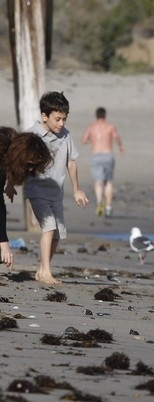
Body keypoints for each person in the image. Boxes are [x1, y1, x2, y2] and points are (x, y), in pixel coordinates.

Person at [21, 91, 89, 284]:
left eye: (64, 119)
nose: (61, 124)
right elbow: (19, 162)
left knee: (57, 235)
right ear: (44, 116)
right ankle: (46, 273)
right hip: (37, 190)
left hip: (56, 193)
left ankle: (42, 269)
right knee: (49, 227)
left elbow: (72, 163)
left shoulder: (65, 136)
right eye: (57, 119)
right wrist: (12, 185)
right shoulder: (32, 135)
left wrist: (77, 189)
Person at [1, 127, 52, 269]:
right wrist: (4, 243)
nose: (30, 170)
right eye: (29, 164)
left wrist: (10, 184)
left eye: (34, 166)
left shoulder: (9, 148)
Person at [82, 107, 124, 217]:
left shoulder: (91, 127)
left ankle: (99, 200)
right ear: (105, 115)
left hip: (96, 155)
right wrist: (120, 146)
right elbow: (116, 137)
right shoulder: (110, 126)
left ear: (96, 115)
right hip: (108, 155)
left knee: (98, 181)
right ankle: (109, 207)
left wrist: (94, 140)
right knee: (108, 182)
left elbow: (84, 140)